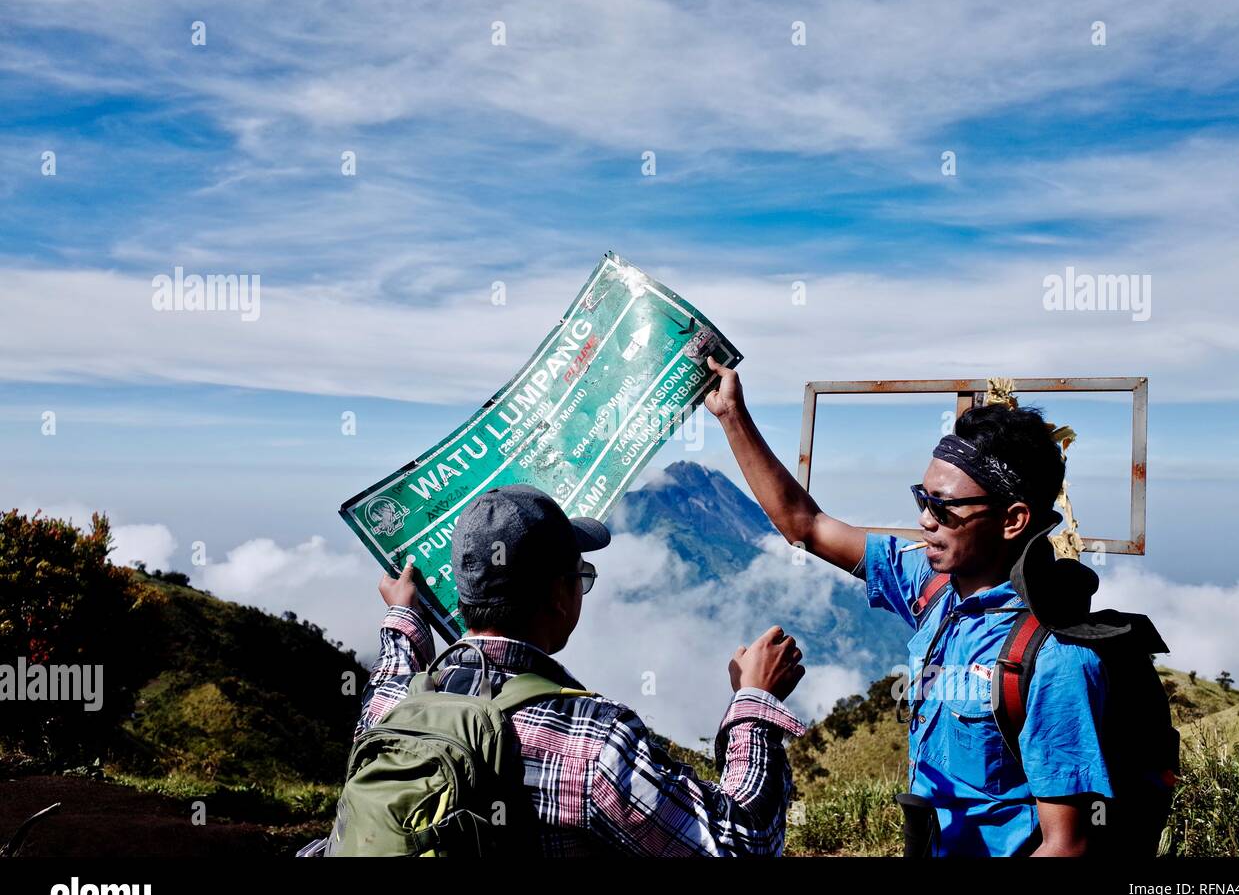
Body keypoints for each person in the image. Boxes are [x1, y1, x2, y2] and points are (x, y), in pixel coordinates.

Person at [703, 357, 1112, 856]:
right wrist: (731, 416)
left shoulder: (1055, 658)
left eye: (943, 506)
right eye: (922, 497)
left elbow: (1067, 846)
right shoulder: (932, 584)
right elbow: (804, 524)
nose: (923, 519)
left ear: (1013, 520)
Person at [355, 483, 807, 856]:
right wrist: (755, 702)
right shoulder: (592, 746)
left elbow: (395, 667)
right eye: (582, 575)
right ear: (558, 594)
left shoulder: (389, 707)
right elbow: (746, 844)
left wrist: (404, 615)